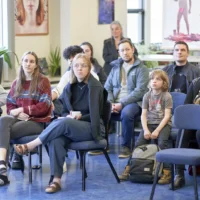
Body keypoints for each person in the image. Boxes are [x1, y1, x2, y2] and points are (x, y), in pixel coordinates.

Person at [14, 53, 105, 193]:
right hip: (73, 127)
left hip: (92, 127)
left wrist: (80, 116)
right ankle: (56, 180)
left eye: (83, 66)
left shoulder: (94, 86)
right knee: (56, 138)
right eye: (76, 65)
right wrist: (68, 115)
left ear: (89, 68)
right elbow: (61, 107)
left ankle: (32, 145)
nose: (79, 69)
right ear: (72, 68)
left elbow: (96, 115)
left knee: (64, 123)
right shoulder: (71, 85)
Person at [0, 51, 52, 186]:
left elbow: (44, 106)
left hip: (37, 122)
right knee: (3, 121)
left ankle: (3, 172)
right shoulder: (16, 82)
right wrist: (15, 113)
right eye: (26, 61)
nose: (28, 64)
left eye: (31, 61)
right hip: (19, 119)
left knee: (5, 130)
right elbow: (10, 105)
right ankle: (2, 167)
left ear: (36, 65)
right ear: (22, 63)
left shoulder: (43, 81)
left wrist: (23, 109)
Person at [119, 70, 173, 184]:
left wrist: (157, 130)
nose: (154, 81)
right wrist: (146, 130)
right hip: (149, 124)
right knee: (139, 144)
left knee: (162, 143)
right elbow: (143, 115)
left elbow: (167, 116)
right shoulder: (147, 96)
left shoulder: (166, 96)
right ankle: (129, 168)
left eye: (158, 79)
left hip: (163, 124)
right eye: (152, 78)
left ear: (163, 83)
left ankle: (167, 172)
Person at [104, 39, 149, 158]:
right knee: (100, 110)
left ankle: (126, 147)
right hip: (115, 102)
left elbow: (140, 91)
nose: (125, 52)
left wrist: (122, 104)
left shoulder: (142, 68)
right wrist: (110, 103)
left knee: (127, 113)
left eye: (127, 49)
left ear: (133, 50)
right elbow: (107, 88)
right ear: (119, 52)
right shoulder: (114, 68)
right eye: (122, 50)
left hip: (135, 103)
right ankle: (103, 144)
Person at [169, 77, 200, 190]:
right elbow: (187, 105)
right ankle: (179, 174)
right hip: (195, 121)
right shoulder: (196, 82)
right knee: (184, 129)